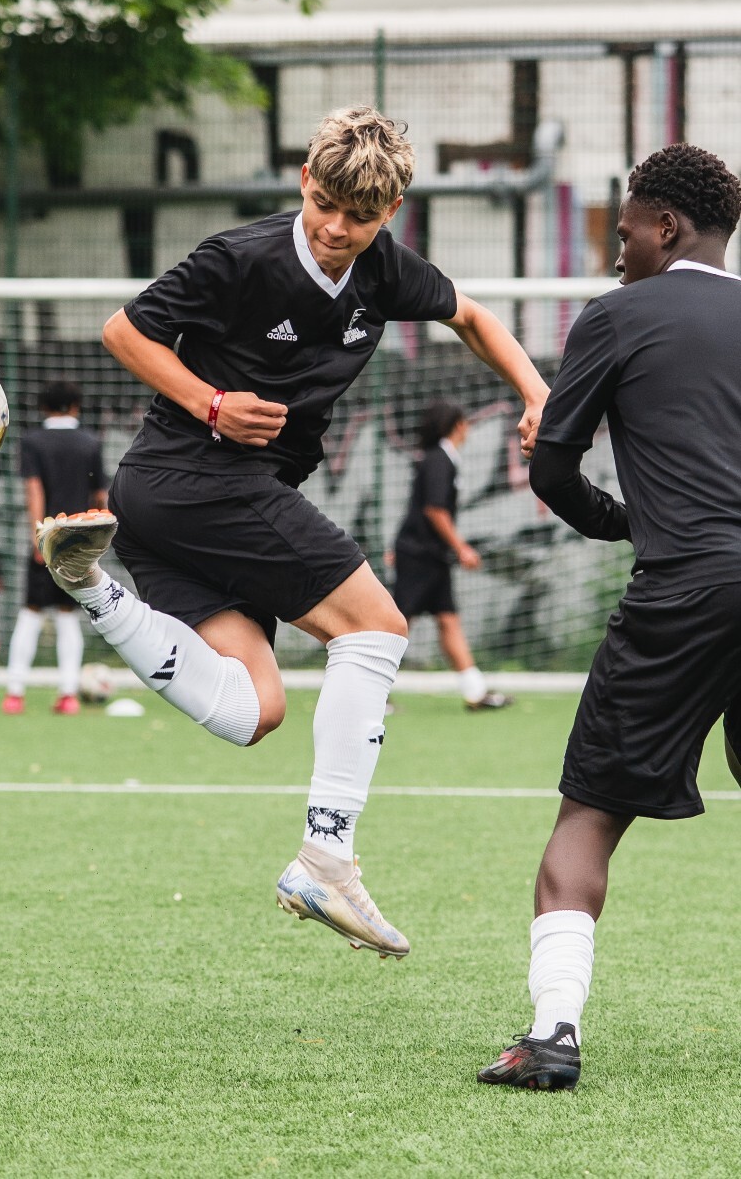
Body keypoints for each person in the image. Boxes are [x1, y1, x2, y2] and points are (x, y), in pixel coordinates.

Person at [37, 106, 548, 961]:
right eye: (328, 206)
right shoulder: (240, 257)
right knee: (378, 626)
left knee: (253, 710)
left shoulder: (383, 269)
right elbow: (123, 330)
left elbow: (474, 317)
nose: (340, 229)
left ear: (390, 213)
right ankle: (328, 859)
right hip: (200, 480)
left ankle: (89, 582)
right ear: (305, 182)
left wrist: (537, 395)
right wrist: (209, 402)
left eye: (363, 216)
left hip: (169, 511)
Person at [478, 142, 741, 1091]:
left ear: (663, 225)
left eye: (623, 227)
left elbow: (552, 466)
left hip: (687, 587)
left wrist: (626, 523)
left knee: (589, 813)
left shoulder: (619, 314)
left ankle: (552, 1038)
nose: (615, 245)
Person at [392, 400, 513, 711]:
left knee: (449, 621)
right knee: (396, 624)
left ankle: (475, 693)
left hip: (432, 557)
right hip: (420, 556)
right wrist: (461, 547)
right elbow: (433, 509)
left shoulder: (442, 459)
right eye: (465, 422)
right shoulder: (439, 460)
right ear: (458, 425)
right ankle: (371, 694)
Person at [3, 380, 108, 716]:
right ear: (75, 406)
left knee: (31, 612)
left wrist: (39, 536)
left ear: (43, 407)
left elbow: (34, 490)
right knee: (68, 617)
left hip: (47, 538)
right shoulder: (91, 441)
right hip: (78, 544)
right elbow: (100, 497)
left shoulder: (32, 441)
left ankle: (15, 694)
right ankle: (68, 695)